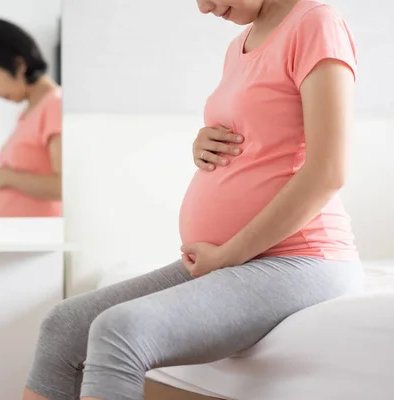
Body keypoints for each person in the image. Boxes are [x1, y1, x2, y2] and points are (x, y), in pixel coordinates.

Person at [23, 0, 363, 399]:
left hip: (300, 258)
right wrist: (204, 144)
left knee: (120, 330)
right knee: (64, 325)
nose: (204, 8)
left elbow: (328, 171)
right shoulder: (240, 44)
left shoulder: (316, 23)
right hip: (235, 259)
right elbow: (263, 135)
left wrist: (231, 254)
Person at [0, 19, 62, 218]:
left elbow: (65, 186)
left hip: (33, 240)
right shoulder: (29, 113)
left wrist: (9, 178)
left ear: (19, 65)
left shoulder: (54, 104)